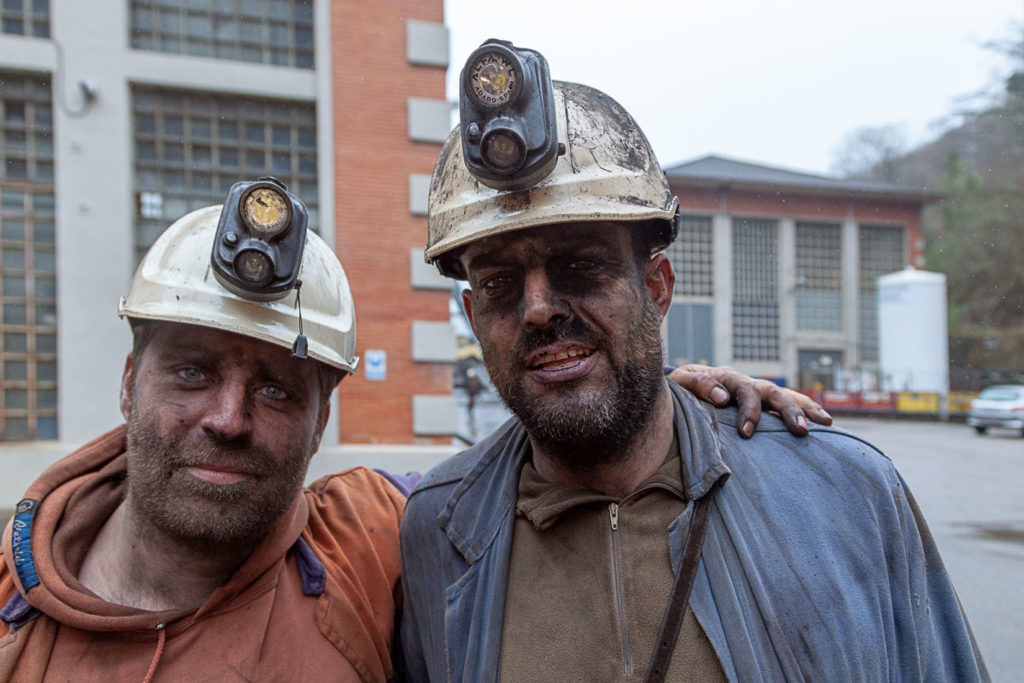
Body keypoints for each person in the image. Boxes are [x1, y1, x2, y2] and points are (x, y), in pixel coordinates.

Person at [0, 178, 823, 681]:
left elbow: (551, 463)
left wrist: (645, 389)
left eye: (278, 389)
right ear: (128, 382)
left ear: (322, 419)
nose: (228, 417)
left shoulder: (371, 537)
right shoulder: (11, 600)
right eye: (191, 372)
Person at [398, 40, 988, 681]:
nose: (538, 309)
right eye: (499, 284)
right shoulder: (436, 529)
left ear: (657, 287)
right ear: (470, 315)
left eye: (581, 265)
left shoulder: (848, 494)